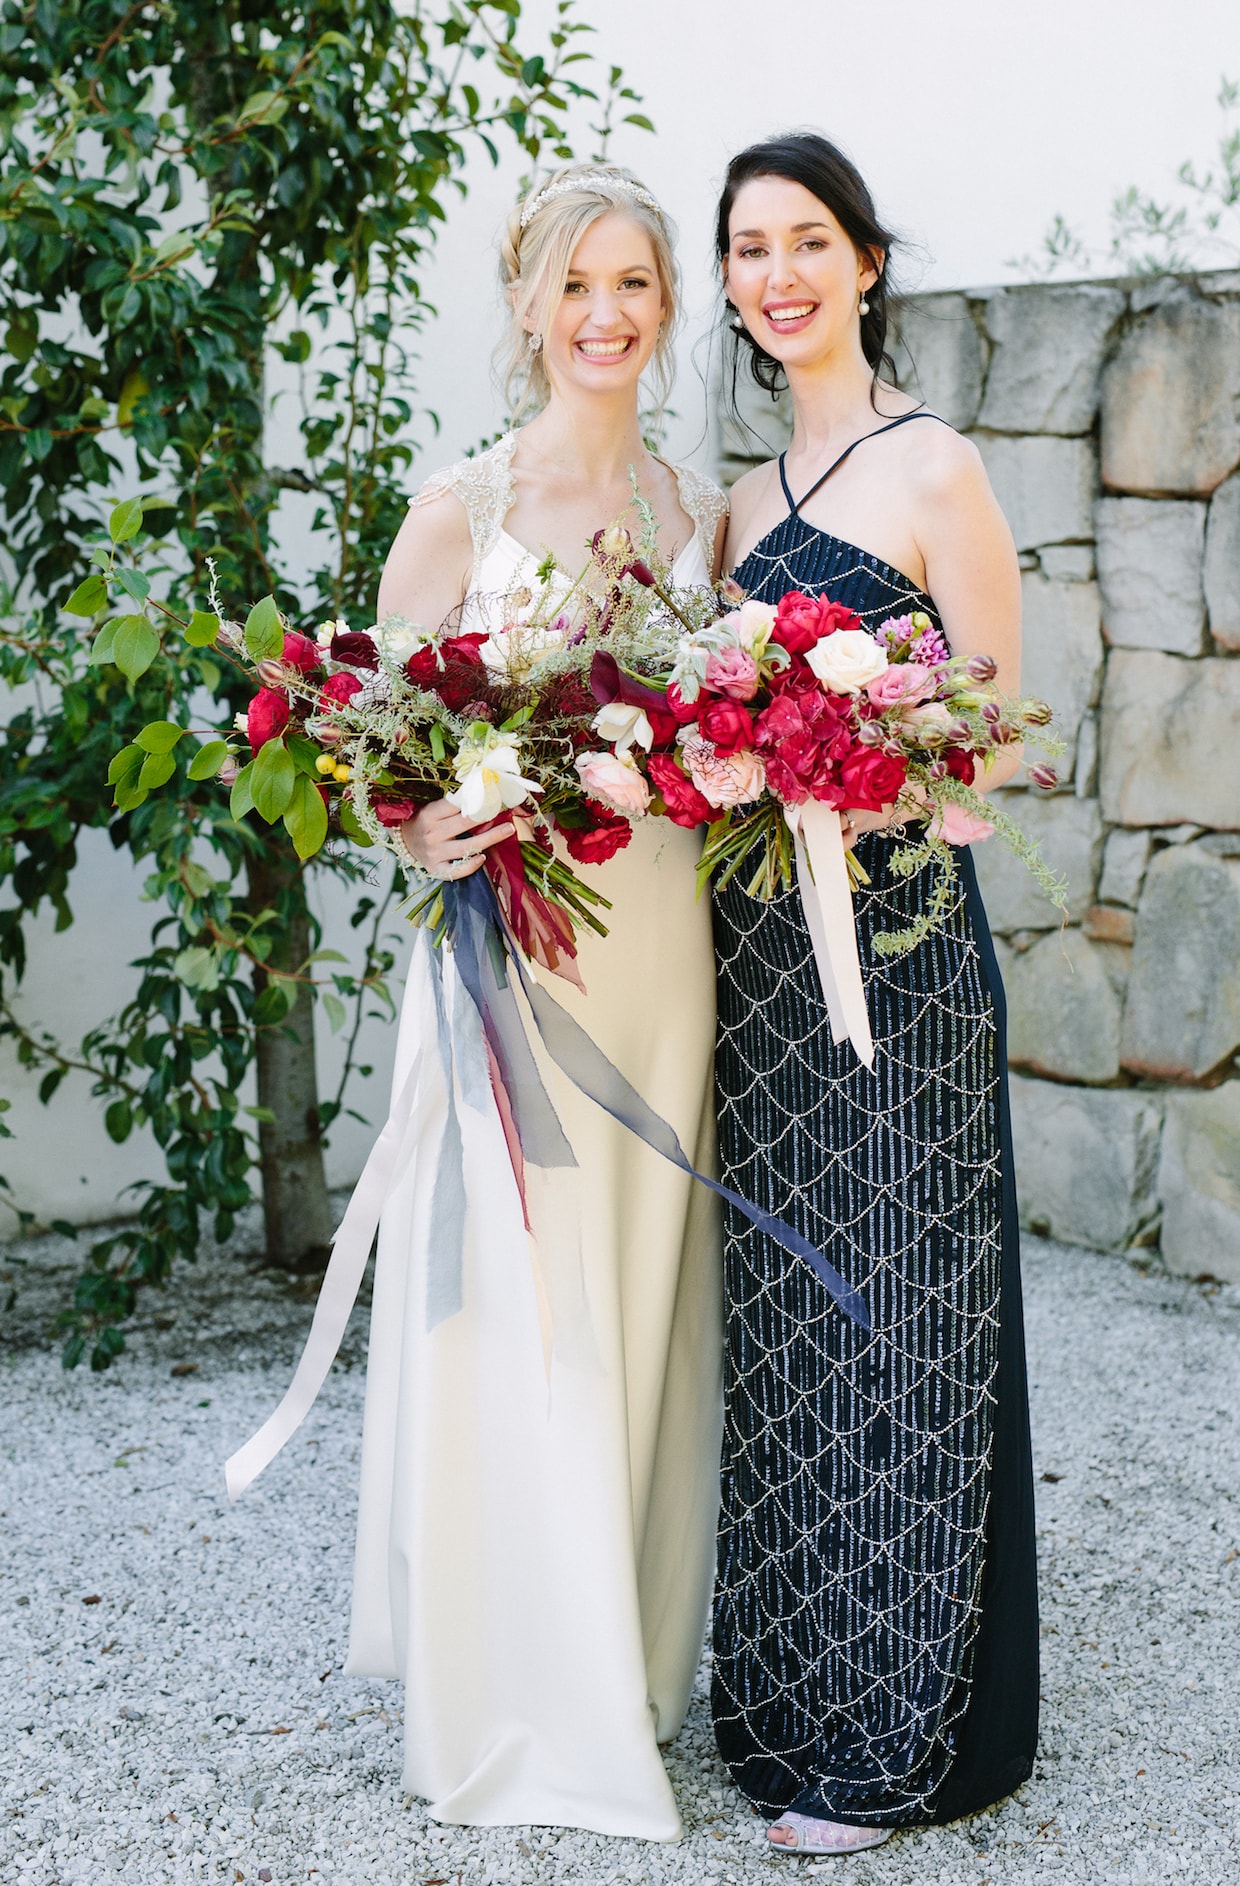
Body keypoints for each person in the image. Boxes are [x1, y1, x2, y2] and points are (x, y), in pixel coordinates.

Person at [345, 165, 727, 1840]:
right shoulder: (461, 507)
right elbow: (369, 746)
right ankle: (516, 1693)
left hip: (662, 952)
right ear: (524, 302)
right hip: (515, 959)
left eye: (635, 283)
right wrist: (426, 821)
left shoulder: (685, 506)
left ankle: (629, 1670)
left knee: (642, 1293)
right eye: (577, 283)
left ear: (663, 305)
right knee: (520, 1304)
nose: (607, 314)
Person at [709, 133, 1039, 1855]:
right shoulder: (739, 506)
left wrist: (854, 774)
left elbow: (986, 748)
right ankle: (780, 1690)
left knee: (906, 1320)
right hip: (762, 969)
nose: (780, 275)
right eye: (752, 250)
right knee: (786, 1325)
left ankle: (901, 1736)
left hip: (900, 954)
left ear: (866, 260)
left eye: (808, 241)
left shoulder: (933, 470)